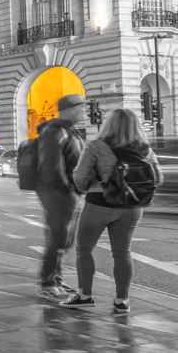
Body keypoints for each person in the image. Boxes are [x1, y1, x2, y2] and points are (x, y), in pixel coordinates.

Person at [64, 107, 161, 314]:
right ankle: (121, 301)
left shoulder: (96, 146)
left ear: (109, 124)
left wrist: (91, 185)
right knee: (123, 252)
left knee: (84, 249)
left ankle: (85, 296)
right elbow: (158, 179)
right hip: (132, 207)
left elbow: (80, 179)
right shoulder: (145, 148)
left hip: (100, 203)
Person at [35, 94, 87, 299]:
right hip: (58, 193)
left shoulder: (67, 131)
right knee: (58, 237)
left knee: (64, 239)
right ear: (70, 110)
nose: (82, 112)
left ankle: (55, 278)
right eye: (80, 109)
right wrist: (67, 190)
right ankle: (47, 282)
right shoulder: (55, 132)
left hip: (67, 192)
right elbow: (51, 166)